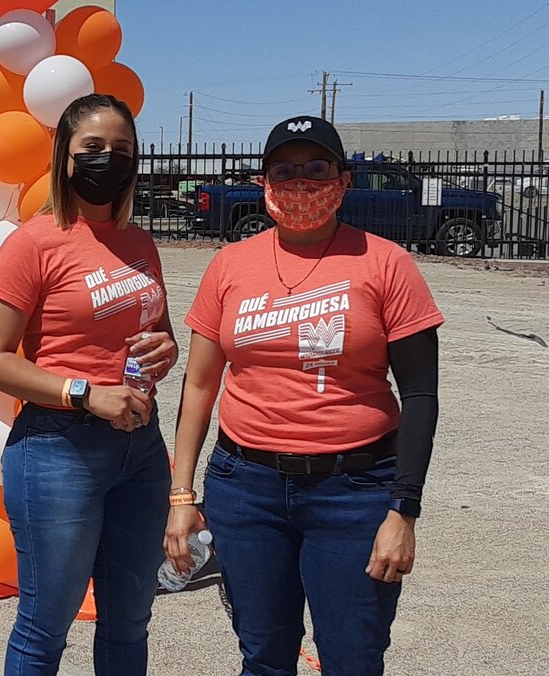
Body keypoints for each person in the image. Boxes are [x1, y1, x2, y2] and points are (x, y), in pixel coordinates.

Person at [164, 116, 444, 675]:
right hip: (246, 490)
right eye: (284, 171)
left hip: (356, 492)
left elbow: (420, 394)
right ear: (264, 182)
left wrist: (403, 510)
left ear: (343, 180)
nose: (300, 184)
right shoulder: (229, 265)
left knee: (352, 657)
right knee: (263, 655)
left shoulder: (386, 263)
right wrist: (181, 497)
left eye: (316, 170)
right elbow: (199, 384)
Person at [0, 94, 178, 676]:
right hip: (58, 448)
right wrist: (84, 392)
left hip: (141, 449)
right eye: (93, 147)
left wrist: (168, 348)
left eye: (122, 149)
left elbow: (153, 332)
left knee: (129, 621)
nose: (107, 159)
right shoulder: (33, 243)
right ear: (66, 157)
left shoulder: (140, 243)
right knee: (46, 627)